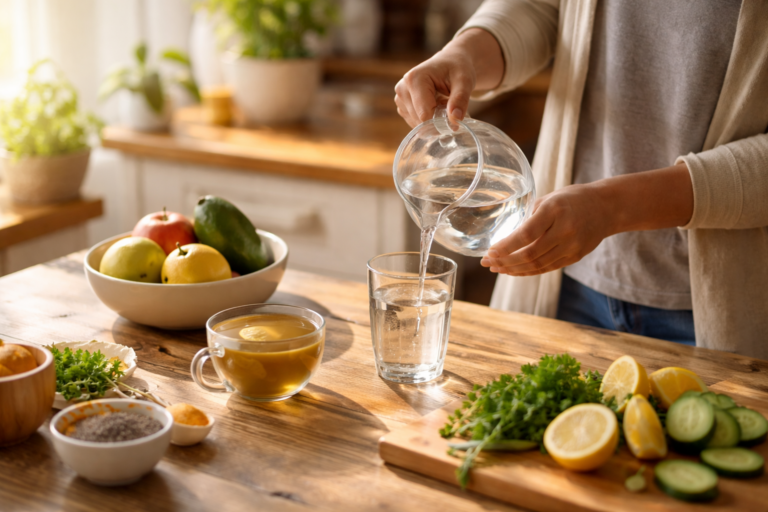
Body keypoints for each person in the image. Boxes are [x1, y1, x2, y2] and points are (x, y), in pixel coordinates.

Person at [395, 0, 768, 359]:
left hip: (719, 310)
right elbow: (544, 7)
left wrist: (613, 207)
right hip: (566, 288)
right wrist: (465, 52)